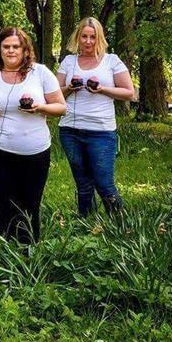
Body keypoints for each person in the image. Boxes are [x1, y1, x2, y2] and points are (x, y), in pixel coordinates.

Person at [0, 27, 66, 244]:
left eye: (16, 47)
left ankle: (29, 250)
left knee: (30, 203)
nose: (11, 51)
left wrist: (40, 107)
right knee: (3, 203)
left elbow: (61, 107)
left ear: (25, 50)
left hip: (35, 150)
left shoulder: (40, 73)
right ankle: (4, 251)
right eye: (6, 47)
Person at [56, 17, 134, 216]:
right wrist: (69, 87)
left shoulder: (112, 61)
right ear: (77, 37)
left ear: (100, 38)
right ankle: (86, 225)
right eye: (84, 36)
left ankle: (121, 224)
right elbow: (55, 95)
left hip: (101, 131)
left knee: (103, 183)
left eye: (93, 37)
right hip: (70, 130)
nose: (88, 41)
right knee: (83, 184)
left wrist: (102, 89)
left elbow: (129, 92)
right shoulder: (68, 61)